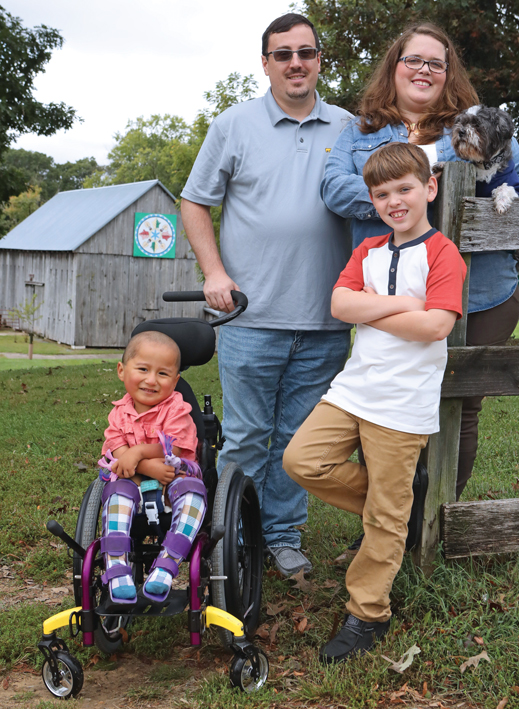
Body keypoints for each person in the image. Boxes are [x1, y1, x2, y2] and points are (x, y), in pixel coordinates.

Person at [320, 22, 519, 499]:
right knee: (379, 405)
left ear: (448, 73)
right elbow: (332, 188)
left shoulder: (474, 126)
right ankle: (386, 528)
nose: (424, 70)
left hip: (479, 293)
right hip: (390, 296)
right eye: (413, 60)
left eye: (436, 63)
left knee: (459, 409)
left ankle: (441, 520)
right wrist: (405, 196)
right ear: (395, 67)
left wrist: (474, 205)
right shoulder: (361, 130)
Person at [180, 13, 353, 576]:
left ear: (320, 59)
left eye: (306, 52)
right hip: (249, 315)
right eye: (283, 54)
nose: (295, 63)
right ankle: (229, 537)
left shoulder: (351, 128)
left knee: (296, 441)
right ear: (266, 63)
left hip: (327, 317)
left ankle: (279, 536)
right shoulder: (233, 125)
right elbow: (194, 201)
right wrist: (213, 272)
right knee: (248, 435)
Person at [283, 142, 466, 663]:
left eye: (404, 188)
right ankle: (399, 508)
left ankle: (368, 613)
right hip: (354, 389)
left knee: (385, 518)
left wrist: (373, 311)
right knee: (302, 460)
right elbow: (340, 303)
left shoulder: (442, 254)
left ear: (429, 188)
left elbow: (435, 325)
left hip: (403, 404)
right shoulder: (368, 252)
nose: (394, 201)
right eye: (382, 194)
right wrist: (400, 305)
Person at [100, 331, 206, 604]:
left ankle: (167, 564)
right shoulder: (119, 412)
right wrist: (145, 466)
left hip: (175, 480)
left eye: (163, 374)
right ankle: (117, 567)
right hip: (134, 484)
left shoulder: (177, 410)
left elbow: (175, 448)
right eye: (143, 369)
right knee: (116, 494)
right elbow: (117, 451)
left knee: (194, 495)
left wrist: (137, 453)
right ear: (122, 371)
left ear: (176, 380)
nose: (151, 380)